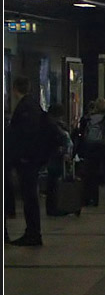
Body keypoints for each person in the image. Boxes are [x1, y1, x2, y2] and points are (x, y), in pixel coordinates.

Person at [6, 76, 53, 246]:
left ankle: (32, 233)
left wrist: (21, 156)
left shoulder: (25, 108)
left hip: (27, 159)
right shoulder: (33, 105)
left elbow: (25, 135)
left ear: (14, 89)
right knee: (29, 196)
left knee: (29, 196)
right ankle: (32, 232)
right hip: (31, 158)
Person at [44, 104, 76, 217]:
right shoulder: (56, 126)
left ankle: (52, 207)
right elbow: (65, 140)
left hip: (51, 157)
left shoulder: (47, 124)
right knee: (54, 182)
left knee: (52, 183)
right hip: (56, 157)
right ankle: (55, 207)